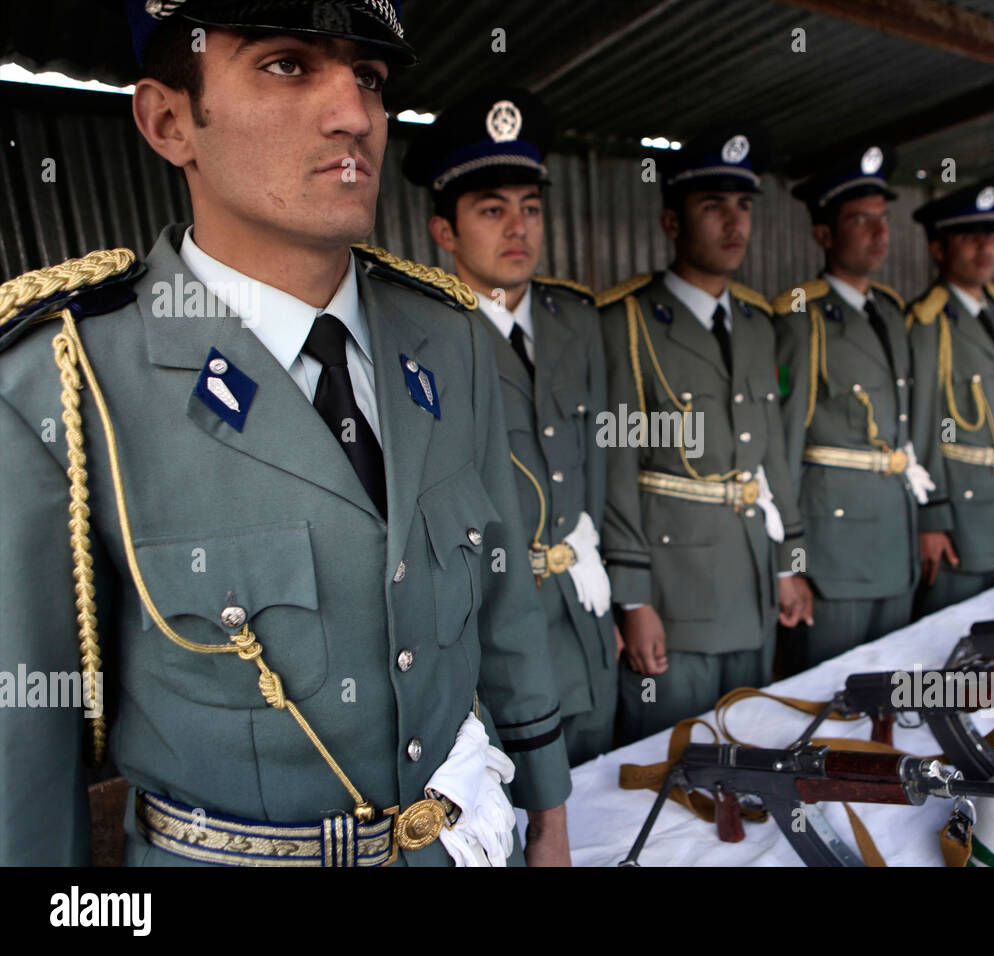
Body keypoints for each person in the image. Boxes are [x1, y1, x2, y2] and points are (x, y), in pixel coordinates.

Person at [0, 0, 572, 866]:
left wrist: (549, 817)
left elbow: (503, 603)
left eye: (369, 77)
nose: (354, 115)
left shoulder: (447, 338)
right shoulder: (67, 376)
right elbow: (28, 745)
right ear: (168, 122)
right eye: (286, 64)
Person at [403, 87, 618, 766]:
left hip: (585, 615)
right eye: (492, 210)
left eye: (530, 208)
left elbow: (603, 463)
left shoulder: (575, 321)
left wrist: (623, 596)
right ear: (444, 232)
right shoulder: (420, 338)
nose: (518, 228)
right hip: (490, 640)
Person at [597, 128, 812, 740]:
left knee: (750, 739)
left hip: (751, 581)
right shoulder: (627, 321)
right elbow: (616, 470)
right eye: (713, 206)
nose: (734, 222)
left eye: (743, 205)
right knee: (669, 755)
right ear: (672, 221)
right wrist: (633, 600)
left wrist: (788, 563)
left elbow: (771, 458)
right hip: (674, 596)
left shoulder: (757, 321)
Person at [771, 142, 929, 669]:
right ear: (824, 235)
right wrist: (789, 563)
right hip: (833, 557)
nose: (879, 233)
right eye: (861, 220)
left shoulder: (891, 312)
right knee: (830, 690)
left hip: (895, 541)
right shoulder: (802, 317)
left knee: (893, 682)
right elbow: (783, 450)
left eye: (883, 220)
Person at [908, 180, 994, 613]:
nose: (985, 248)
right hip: (960, 522)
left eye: (990, 236)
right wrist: (932, 517)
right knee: (952, 631)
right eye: (969, 238)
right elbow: (924, 426)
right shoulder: (928, 322)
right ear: (938, 249)